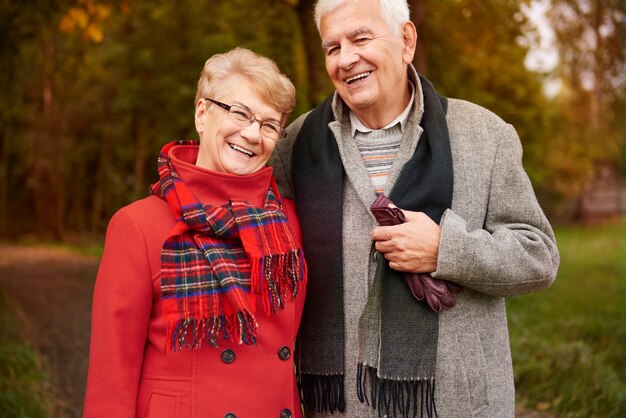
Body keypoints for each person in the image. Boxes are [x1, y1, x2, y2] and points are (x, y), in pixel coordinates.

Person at [269, 1, 560, 417]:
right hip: (336, 408)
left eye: (361, 38)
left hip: (456, 403)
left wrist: (447, 249)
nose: (346, 58)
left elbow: (539, 256)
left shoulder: (484, 135)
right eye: (332, 47)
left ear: (406, 41)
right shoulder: (296, 147)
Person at [83, 47, 307, 418]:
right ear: (202, 113)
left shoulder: (288, 222)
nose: (252, 134)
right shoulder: (138, 226)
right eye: (239, 113)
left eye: (269, 125)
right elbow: (112, 376)